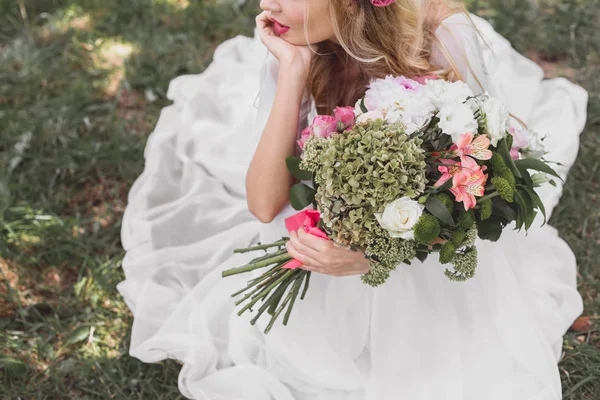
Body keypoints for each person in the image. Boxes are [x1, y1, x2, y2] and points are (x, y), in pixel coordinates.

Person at [117, 0, 588, 398]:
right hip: (339, 239)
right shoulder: (297, 45)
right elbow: (262, 204)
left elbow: (477, 189)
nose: (267, 5)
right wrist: (293, 73)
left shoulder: (441, 42)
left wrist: (369, 258)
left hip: (429, 251)